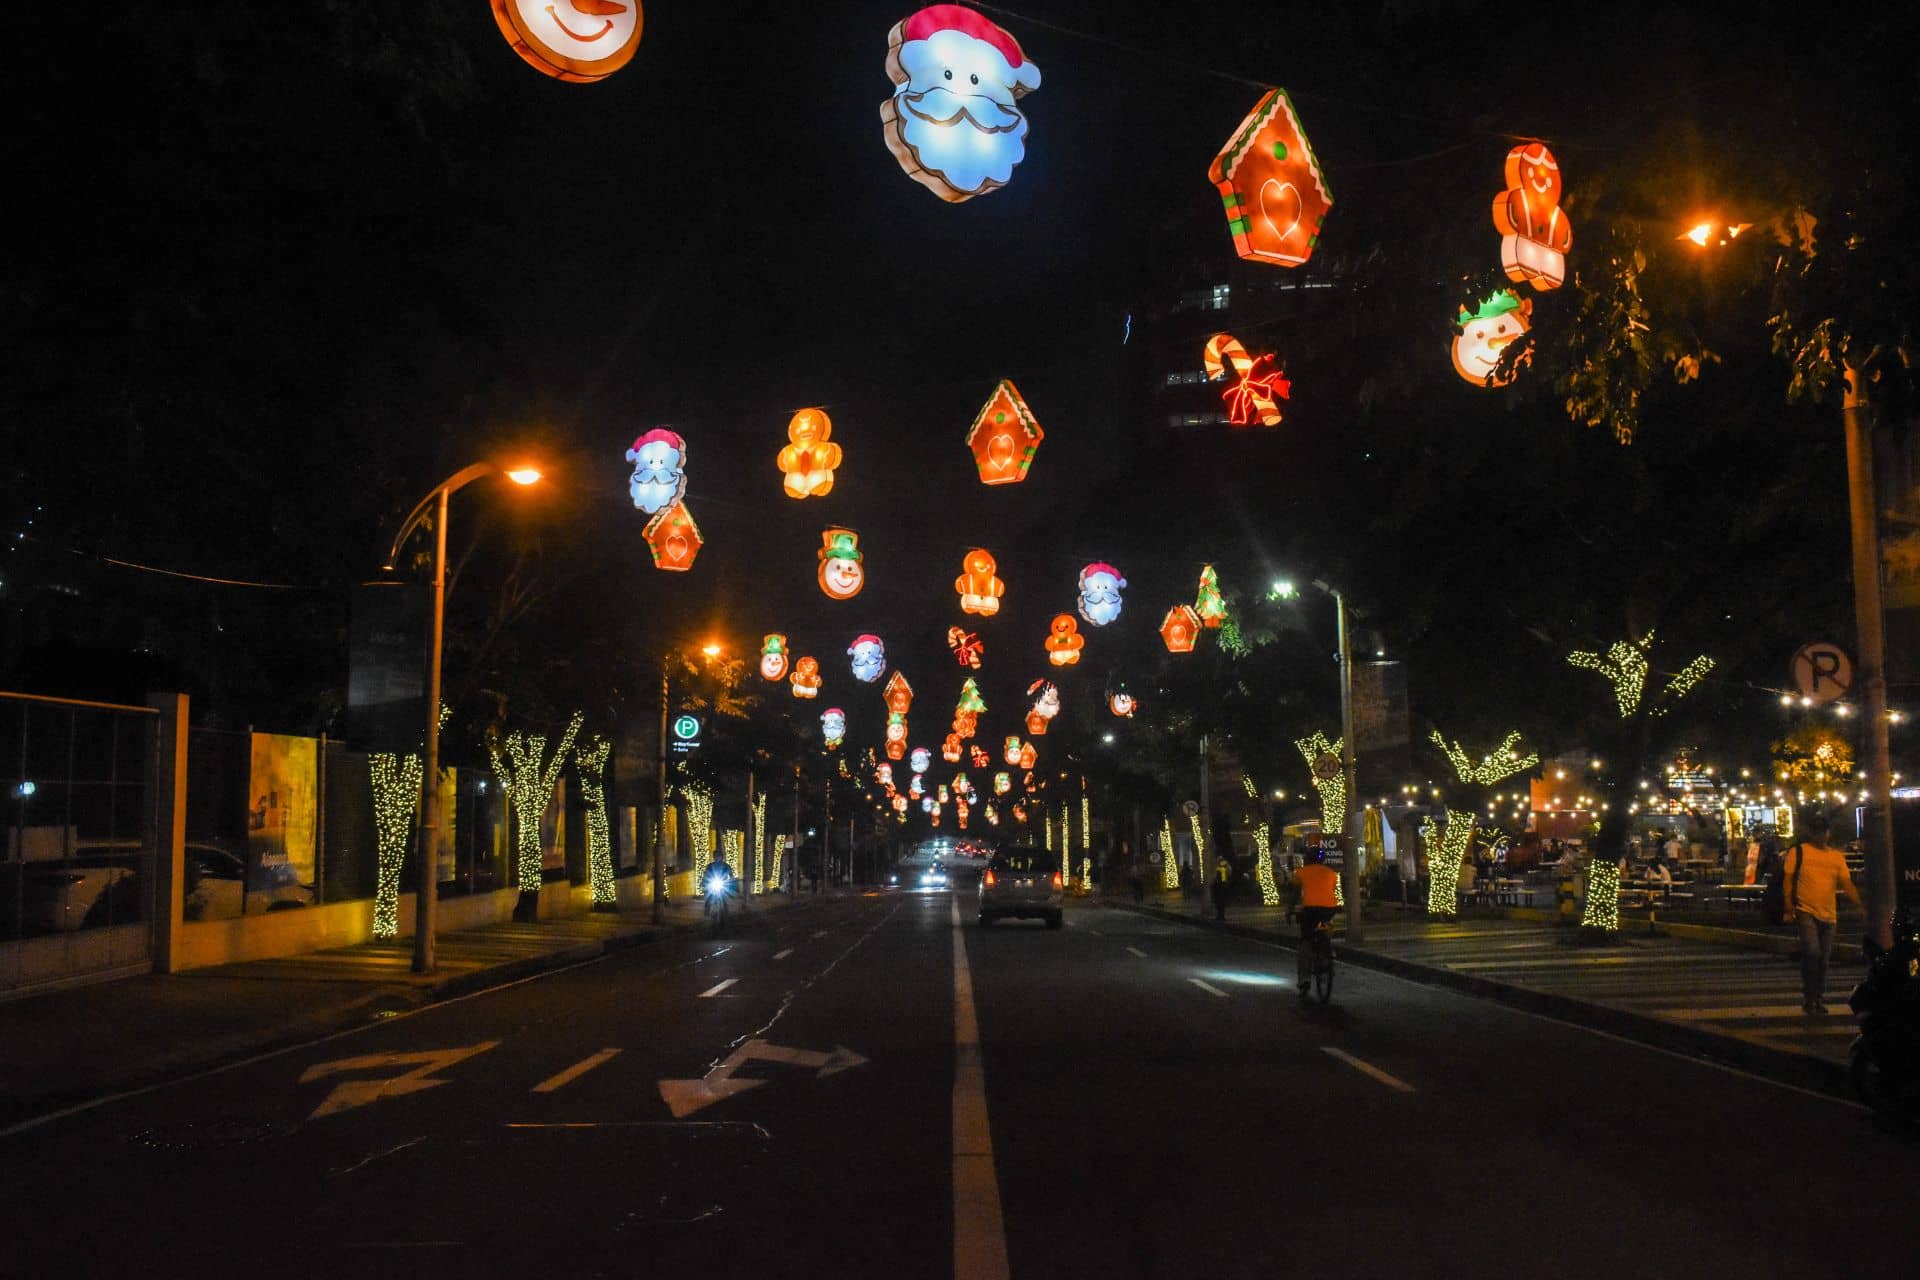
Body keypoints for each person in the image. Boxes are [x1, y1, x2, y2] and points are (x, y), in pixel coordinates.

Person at [1781, 815, 1863, 1014]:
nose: (1820, 835)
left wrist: (1860, 905)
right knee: (1812, 953)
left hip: (1829, 914)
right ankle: (1809, 997)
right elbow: (1788, 880)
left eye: (1823, 831)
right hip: (1805, 910)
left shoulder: (1836, 857)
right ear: (1811, 832)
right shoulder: (1798, 852)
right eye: (1816, 831)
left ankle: (1817, 997)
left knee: (1823, 960)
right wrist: (1788, 905)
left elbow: (1846, 883)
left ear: (1828, 832)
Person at [1293, 848, 1340, 996]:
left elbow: (1294, 894)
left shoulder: (1300, 872)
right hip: (1329, 911)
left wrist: (1289, 910)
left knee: (1306, 940)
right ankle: (1327, 950)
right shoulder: (1331, 873)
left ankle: (1304, 979)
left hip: (1310, 911)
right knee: (1325, 928)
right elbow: (1331, 891)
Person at [1210, 853, 1233, 921]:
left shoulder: (1218, 865)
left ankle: (1220, 916)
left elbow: (1215, 875)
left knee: (1219, 902)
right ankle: (1221, 916)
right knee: (1221, 902)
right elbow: (1229, 872)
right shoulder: (1226, 865)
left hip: (1219, 885)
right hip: (1223, 884)